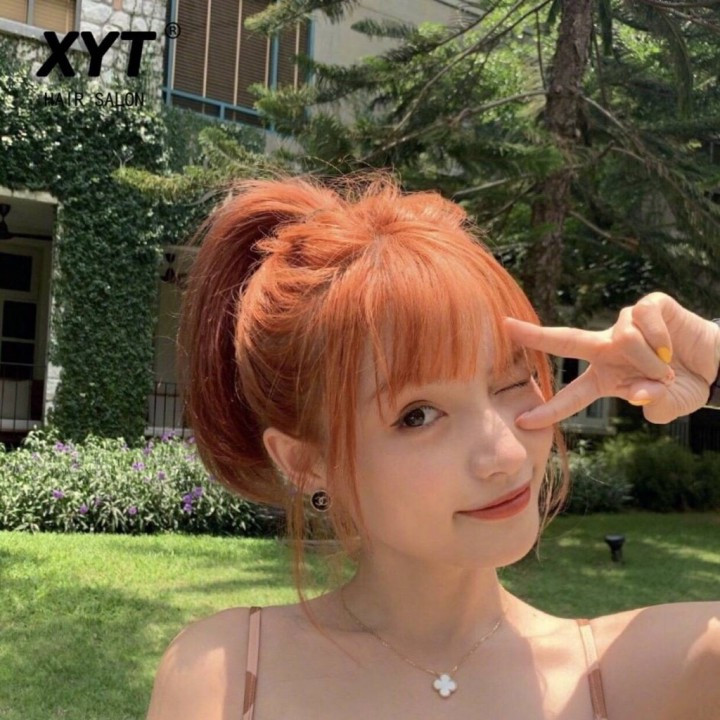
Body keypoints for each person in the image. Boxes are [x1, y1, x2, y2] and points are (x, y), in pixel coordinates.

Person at [146, 170, 720, 720]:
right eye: (418, 416)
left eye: (513, 380)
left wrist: (714, 368)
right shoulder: (227, 677)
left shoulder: (651, 674)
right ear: (306, 462)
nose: (506, 454)